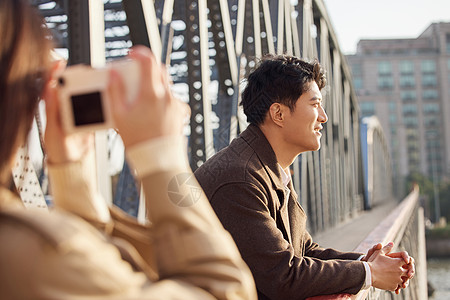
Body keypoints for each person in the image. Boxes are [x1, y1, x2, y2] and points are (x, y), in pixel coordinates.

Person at [0, 1, 257, 299]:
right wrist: (163, 158)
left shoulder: (36, 256)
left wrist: (72, 179)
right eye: (31, 84)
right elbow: (225, 292)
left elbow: (92, 269)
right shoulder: (36, 259)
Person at [194, 54, 415, 300]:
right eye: (314, 104)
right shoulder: (240, 179)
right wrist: (369, 273)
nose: (324, 116)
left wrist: (368, 262)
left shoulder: (269, 167)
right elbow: (284, 276)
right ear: (278, 114)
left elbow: (303, 250)